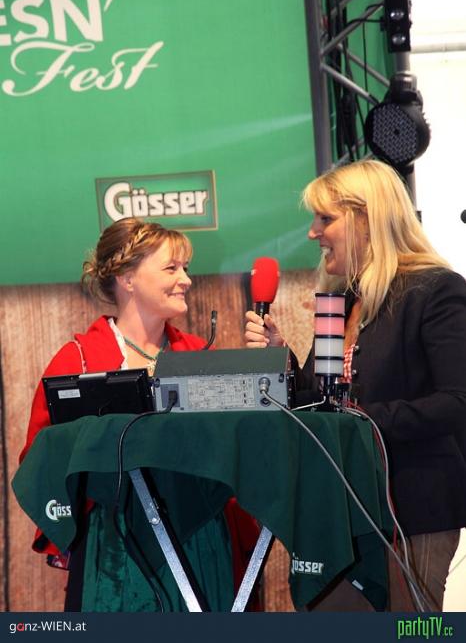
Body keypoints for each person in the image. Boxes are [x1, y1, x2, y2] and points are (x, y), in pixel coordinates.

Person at [245, 159, 466, 612]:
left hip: (413, 509)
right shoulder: (341, 302)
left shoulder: (435, 290)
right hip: (339, 510)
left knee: (411, 628)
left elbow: (457, 402)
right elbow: (320, 399)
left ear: (367, 220)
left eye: (325, 219)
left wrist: (361, 421)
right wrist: (281, 355)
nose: (313, 232)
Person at [20, 217, 259, 612]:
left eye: (185, 268)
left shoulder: (201, 357)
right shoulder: (77, 361)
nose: (186, 280)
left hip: (200, 543)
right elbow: (42, 459)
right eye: (171, 268)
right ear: (127, 278)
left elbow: (237, 452)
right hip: (115, 553)